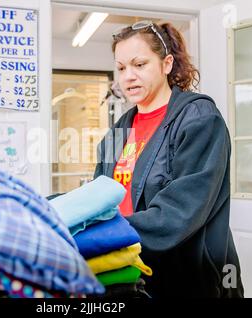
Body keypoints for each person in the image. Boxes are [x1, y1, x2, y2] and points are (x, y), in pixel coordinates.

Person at [93, 20, 244, 298]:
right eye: (122, 67)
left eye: (140, 64)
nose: (128, 76)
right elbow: (99, 197)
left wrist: (107, 233)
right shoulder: (120, 130)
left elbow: (178, 213)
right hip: (129, 270)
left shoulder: (199, 119)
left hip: (186, 279)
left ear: (166, 64)